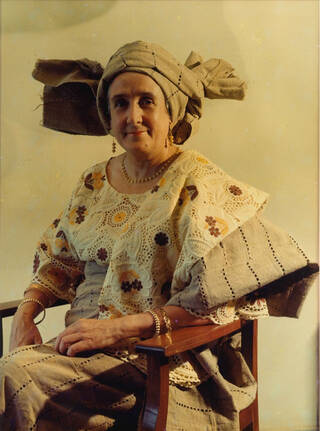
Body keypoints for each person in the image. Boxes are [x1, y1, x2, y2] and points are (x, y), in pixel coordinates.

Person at [0, 41, 317, 431]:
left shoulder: (200, 186)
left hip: (153, 360)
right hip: (75, 351)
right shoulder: (93, 181)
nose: (133, 116)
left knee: (12, 378)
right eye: (120, 103)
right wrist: (26, 313)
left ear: (172, 112)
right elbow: (60, 262)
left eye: (146, 101)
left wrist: (117, 328)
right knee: (14, 374)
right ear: (108, 116)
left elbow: (213, 303)